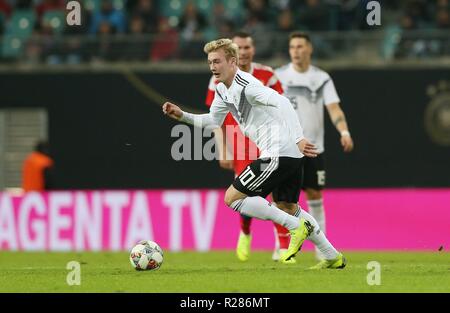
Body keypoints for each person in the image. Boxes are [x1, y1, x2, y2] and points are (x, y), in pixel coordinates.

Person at [163, 38, 346, 269]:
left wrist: (298, 137)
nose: (212, 67)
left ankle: (294, 227)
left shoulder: (246, 84)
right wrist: (182, 116)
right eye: (210, 62)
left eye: (217, 61)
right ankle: (332, 256)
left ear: (232, 61)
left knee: (232, 198)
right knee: (289, 207)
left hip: (279, 152)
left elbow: (283, 102)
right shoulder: (222, 89)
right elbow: (212, 121)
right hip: (286, 153)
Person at [205, 32, 290, 262]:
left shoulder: (267, 75)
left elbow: (281, 107)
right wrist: (223, 148)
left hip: (268, 140)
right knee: (245, 193)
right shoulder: (218, 80)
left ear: (252, 50)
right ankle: (244, 231)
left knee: (276, 193)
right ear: (232, 54)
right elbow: (216, 119)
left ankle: (282, 247)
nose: (243, 52)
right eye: (239, 48)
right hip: (239, 143)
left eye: (246, 47)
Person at [275, 32, 354, 260]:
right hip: (286, 147)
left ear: (310, 49)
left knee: (314, 194)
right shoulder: (278, 76)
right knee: (281, 201)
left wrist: (344, 131)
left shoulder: (321, 78)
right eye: (292, 47)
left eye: (300, 46)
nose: (296, 51)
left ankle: (322, 252)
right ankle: (282, 247)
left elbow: (334, 109)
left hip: (313, 148)